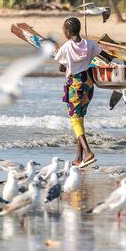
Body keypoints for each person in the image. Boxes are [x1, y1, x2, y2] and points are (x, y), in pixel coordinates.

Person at [54, 16, 101, 168]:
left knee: (75, 119)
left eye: (64, 31)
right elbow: (103, 55)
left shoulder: (66, 47)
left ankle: (88, 153)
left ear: (68, 32)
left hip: (75, 84)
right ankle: (79, 157)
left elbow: (61, 67)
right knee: (80, 119)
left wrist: (66, 65)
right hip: (88, 83)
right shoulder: (89, 43)